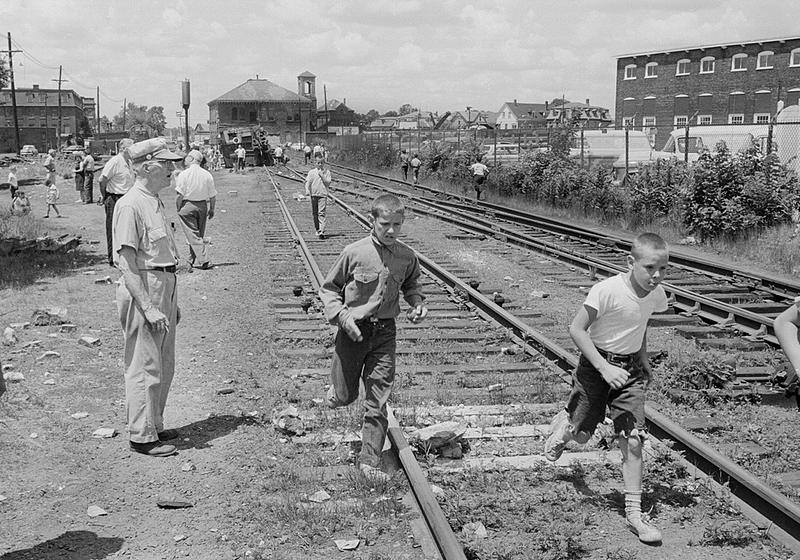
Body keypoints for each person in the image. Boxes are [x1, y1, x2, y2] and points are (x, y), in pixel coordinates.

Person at [544, 232, 669, 544]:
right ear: (630, 262)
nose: (656, 276)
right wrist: (603, 367)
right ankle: (565, 429)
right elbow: (576, 329)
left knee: (634, 439)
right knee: (582, 436)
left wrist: (642, 359)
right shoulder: (607, 290)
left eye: (663, 269)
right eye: (650, 268)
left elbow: (638, 325)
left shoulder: (656, 294)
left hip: (628, 372)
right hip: (595, 366)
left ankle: (635, 514)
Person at [319, 193, 427, 482]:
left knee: (378, 400)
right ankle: (338, 393)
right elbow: (329, 290)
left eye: (397, 225)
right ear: (372, 221)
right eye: (385, 224)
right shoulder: (354, 252)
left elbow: (412, 285)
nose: (391, 231)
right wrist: (343, 318)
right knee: (345, 395)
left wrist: (417, 302)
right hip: (352, 331)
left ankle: (369, 459)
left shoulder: (406, 256)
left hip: (384, 333)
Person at [112, 138, 184, 458]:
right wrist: (149, 305)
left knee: (164, 362)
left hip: (163, 283)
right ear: (146, 167)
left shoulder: (154, 200)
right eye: (166, 164)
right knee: (144, 364)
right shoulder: (129, 204)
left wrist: (171, 300)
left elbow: (161, 251)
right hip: (144, 286)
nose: (172, 169)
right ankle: (141, 435)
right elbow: (126, 264)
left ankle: (154, 422)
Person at [175, 149, 217, 270]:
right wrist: (212, 209)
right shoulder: (207, 174)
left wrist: (178, 207)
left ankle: (205, 260)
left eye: (188, 157)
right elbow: (213, 196)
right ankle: (190, 261)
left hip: (187, 206)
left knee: (193, 236)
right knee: (197, 235)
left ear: (192, 159)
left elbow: (179, 195)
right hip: (203, 206)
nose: (185, 159)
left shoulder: (184, 174)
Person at [99, 138, 135, 267]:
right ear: (123, 149)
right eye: (131, 147)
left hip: (127, 198)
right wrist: (105, 196)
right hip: (114, 198)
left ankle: (124, 257)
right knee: (113, 228)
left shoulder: (129, 162)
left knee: (126, 229)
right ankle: (112, 258)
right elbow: (102, 180)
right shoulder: (115, 162)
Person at [304, 156, 332, 238]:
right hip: (314, 195)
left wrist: (322, 176)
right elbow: (308, 182)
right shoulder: (312, 172)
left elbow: (328, 183)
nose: (320, 164)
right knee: (315, 213)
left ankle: (322, 231)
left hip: (323, 195)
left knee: (321, 213)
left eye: (321, 163)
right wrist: (307, 190)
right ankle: (317, 229)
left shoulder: (327, 172)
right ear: (315, 163)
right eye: (318, 163)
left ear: (324, 163)